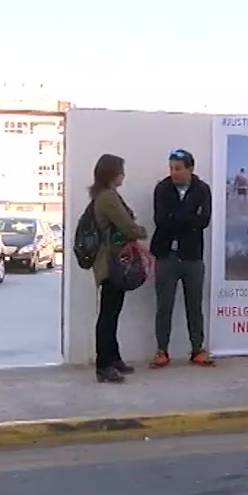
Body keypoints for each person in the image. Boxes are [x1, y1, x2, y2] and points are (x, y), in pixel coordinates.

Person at [150, 148, 214, 368]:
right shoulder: (162, 188)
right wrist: (189, 216)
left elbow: (204, 220)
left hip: (192, 256)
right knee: (164, 305)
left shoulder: (202, 189)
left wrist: (176, 217)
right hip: (167, 255)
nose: (174, 173)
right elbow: (160, 220)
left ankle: (197, 349)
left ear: (190, 168)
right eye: (171, 168)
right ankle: (162, 351)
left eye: (178, 169)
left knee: (194, 305)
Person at [89, 153, 148, 383]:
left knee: (112, 312)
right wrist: (141, 231)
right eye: (121, 171)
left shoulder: (105, 195)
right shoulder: (108, 198)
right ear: (112, 174)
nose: (124, 175)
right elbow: (128, 227)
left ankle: (113, 358)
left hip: (114, 261)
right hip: (111, 263)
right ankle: (104, 364)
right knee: (108, 314)